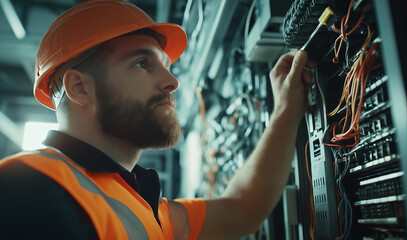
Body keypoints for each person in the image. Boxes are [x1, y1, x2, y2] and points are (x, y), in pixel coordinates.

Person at [0, 0, 313, 239]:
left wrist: (285, 111)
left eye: (166, 65)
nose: (172, 81)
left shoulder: (138, 203)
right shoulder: (24, 186)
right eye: (141, 63)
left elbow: (241, 209)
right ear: (80, 87)